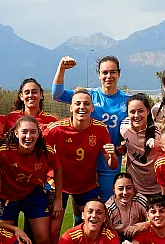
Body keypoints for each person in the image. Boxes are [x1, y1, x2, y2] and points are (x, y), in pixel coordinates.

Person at [0, 116, 61, 244]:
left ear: (38, 134)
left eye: (33, 132)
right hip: (7, 196)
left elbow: (58, 169)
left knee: (43, 238)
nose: (28, 136)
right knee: (3, 239)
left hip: (33, 194)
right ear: (16, 133)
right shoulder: (4, 150)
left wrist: (58, 199)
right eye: (24, 132)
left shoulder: (46, 151)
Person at [53, 55, 130, 201]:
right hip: (84, 162)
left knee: (108, 203)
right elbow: (57, 95)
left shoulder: (127, 101)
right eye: (104, 72)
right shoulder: (88, 95)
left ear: (119, 74)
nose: (109, 76)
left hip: (108, 161)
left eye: (113, 72)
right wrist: (61, 69)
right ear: (99, 75)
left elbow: (134, 128)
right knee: (83, 205)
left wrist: (125, 145)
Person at [44, 89, 118, 241]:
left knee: (95, 226)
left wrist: (112, 155)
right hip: (59, 184)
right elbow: (38, 153)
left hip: (86, 185)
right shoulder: (56, 129)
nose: (82, 107)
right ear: (71, 107)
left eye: (86, 104)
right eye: (77, 103)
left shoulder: (100, 129)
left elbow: (112, 165)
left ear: (92, 108)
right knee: (52, 230)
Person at [118, 93, 162, 199]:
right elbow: (125, 144)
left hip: (158, 188)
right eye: (132, 112)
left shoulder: (158, 133)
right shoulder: (124, 127)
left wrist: (160, 145)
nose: (136, 115)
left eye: (140, 111)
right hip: (135, 188)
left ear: (148, 111)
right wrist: (122, 148)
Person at [105, 174, 149, 240]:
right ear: (114, 189)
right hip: (116, 238)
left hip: (138, 235)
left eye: (129, 188)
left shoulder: (140, 200)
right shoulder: (109, 207)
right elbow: (104, 231)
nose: (125, 192)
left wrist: (139, 226)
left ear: (134, 188)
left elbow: (155, 220)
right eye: (120, 189)